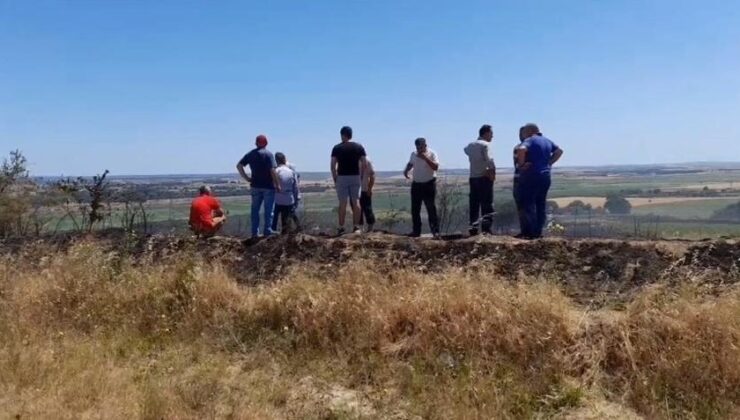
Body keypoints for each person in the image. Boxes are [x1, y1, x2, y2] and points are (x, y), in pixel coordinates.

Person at [516, 123, 564, 239]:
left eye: (524, 133)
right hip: (546, 176)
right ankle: (538, 232)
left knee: (529, 203)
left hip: (532, 176)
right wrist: (549, 163)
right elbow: (559, 151)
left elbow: (521, 149)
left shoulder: (530, 140)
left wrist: (521, 164)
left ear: (528, 131)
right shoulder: (547, 141)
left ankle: (531, 233)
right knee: (540, 204)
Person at [236, 134, 281, 237]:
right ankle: (267, 231)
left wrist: (247, 178)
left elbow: (239, 166)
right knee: (269, 210)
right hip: (268, 186)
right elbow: (272, 171)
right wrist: (277, 184)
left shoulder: (250, 154)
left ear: (256, 143)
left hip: (255, 185)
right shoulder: (268, 154)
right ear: (266, 143)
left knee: (255, 210)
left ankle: (254, 232)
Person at [330, 126, 368, 235]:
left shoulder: (337, 148)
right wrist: (360, 176)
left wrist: (335, 179)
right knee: (356, 202)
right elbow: (364, 164)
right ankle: (356, 227)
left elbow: (333, 166)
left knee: (342, 203)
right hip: (355, 176)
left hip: (342, 177)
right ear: (351, 134)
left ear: (342, 134)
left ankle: (341, 227)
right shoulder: (359, 147)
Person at [404, 137, 440, 237]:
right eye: (417, 147)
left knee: (431, 208)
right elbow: (410, 163)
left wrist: (425, 158)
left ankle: (435, 231)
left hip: (428, 184)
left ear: (425, 145)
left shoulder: (432, 153)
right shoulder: (413, 154)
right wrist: (406, 170)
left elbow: (436, 167)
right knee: (415, 209)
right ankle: (416, 231)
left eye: (421, 147)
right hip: (416, 184)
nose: (419, 149)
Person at [464, 124, 496, 235]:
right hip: (484, 177)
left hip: (473, 177)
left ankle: (473, 229)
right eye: (491, 133)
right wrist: (492, 174)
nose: (492, 136)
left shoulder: (470, 145)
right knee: (487, 205)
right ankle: (486, 230)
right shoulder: (485, 145)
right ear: (486, 133)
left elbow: (466, 151)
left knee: (474, 205)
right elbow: (490, 161)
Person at [272, 152, 301, 233]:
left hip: (278, 198)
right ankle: (297, 228)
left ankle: (272, 231)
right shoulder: (291, 172)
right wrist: (297, 198)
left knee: (275, 216)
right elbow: (295, 187)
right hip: (289, 198)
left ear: (276, 161)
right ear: (284, 160)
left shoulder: (275, 171)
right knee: (290, 215)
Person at [513, 126, 528, 237]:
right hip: (522, 179)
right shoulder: (518, 148)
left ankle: (526, 231)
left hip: (521, 180)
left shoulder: (518, 148)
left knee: (522, 206)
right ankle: (527, 231)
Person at [359, 156, 376, 232]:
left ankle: (370, 227)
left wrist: (369, 189)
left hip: (365, 189)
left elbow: (372, 176)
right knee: (358, 209)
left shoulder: (367, 161)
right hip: (356, 189)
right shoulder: (353, 159)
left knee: (367, 208)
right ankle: (359, 227)